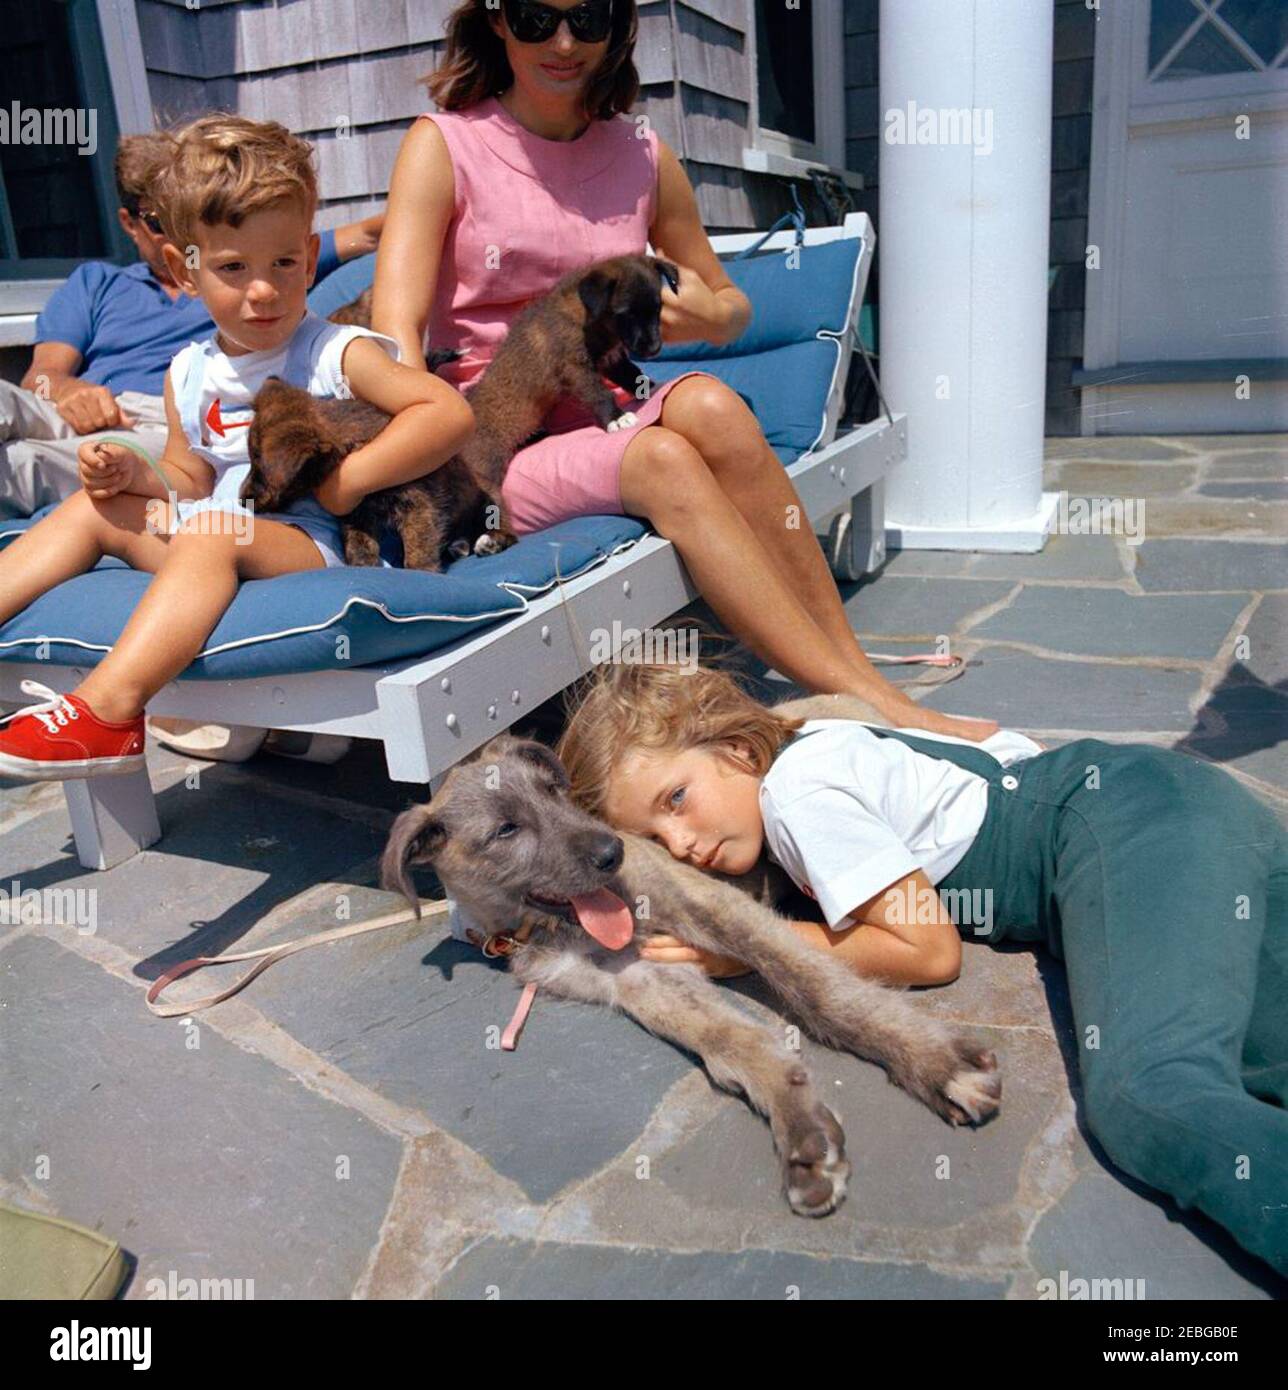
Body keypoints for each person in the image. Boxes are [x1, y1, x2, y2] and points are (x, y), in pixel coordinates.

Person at [372, 0, 998, 743]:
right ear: (500, 21)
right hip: (491, 446)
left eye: (590, 19)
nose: (565, 42)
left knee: (711, 403)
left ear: (618, 26)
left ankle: (852, 676)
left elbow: (730, 307)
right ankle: (866, 703)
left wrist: (696, 314)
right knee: (662, 457)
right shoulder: (443, 146)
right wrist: (427, 458)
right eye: (539, 19)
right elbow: (394, 337)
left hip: (600, 413)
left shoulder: (640, 154)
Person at [555, 658, 1288, 1277]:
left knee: (1149, 1092)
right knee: (1263, 1051)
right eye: (653, 835)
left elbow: (927, 951)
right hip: (1170, 801)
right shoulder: (815, 739)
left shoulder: (796, 796)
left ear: (739, 751)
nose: (679, 845)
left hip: (1121, 828)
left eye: (676, 800)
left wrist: (743, 947)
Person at [0, 115, 473, 781]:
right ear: (182, 269)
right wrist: (135, 471)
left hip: (311, 541)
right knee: (89, 511)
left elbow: (445, 412)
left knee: (212, 533)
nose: (263, 288)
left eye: (283, 263)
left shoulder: (334, 352)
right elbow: (187, 477)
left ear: (310, 259)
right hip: (214, 526)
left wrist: (353, 479)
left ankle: (107, 713)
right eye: (233, 267)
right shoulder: (187, 370)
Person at [0, 132, 384, 520]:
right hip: (81, 405)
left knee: (20, 463)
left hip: (161, 423)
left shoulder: (247, 258)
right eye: (159, 220)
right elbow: (40, 377)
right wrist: (69, 391)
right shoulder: (95, 282)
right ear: (129, 223)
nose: (181, 231)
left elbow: (367, 233)